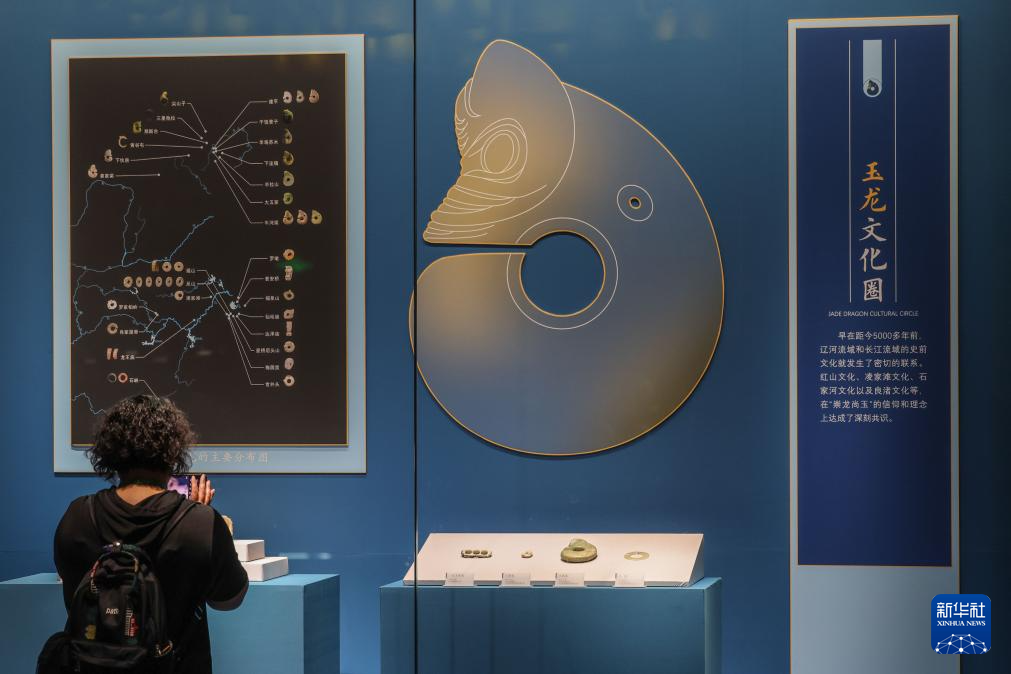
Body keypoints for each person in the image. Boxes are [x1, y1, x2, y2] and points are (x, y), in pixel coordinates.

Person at [54, 394, 248, 672]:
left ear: (110, 451)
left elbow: (72, 596)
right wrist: (205, 524)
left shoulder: (78, 516)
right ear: (174, 450)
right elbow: (229, 600)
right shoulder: (201, 523)